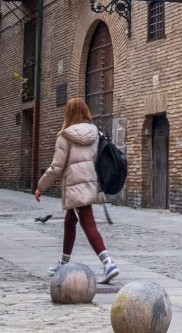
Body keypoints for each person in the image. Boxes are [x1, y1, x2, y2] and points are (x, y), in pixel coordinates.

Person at [34, 97, 119, 283]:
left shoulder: (65, 136)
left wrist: (40, 187)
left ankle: (108, 263)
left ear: (68, 113)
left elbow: (56, 167)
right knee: (70, 222)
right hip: (90, 184)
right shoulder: (95, 133)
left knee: (88, 225)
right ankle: (64, 263)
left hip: (76, 187)